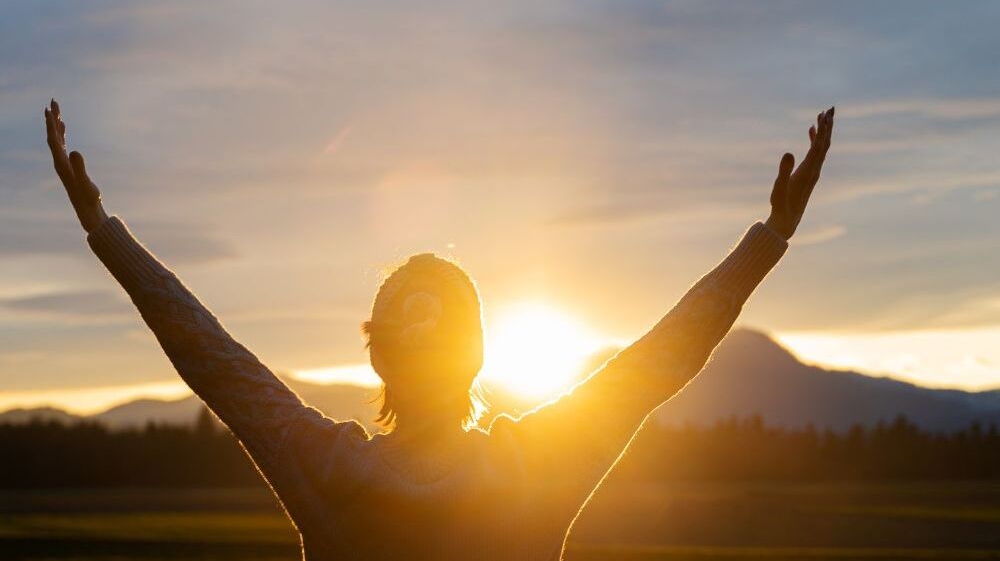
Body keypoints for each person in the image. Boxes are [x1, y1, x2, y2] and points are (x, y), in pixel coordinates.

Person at [44, 99, 834, 560]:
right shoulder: (536, 465)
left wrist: (104, 230)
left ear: (377, 357)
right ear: (477, 354)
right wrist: (768, 239)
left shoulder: (323, 465)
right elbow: (662, 358)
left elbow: (209, 352)